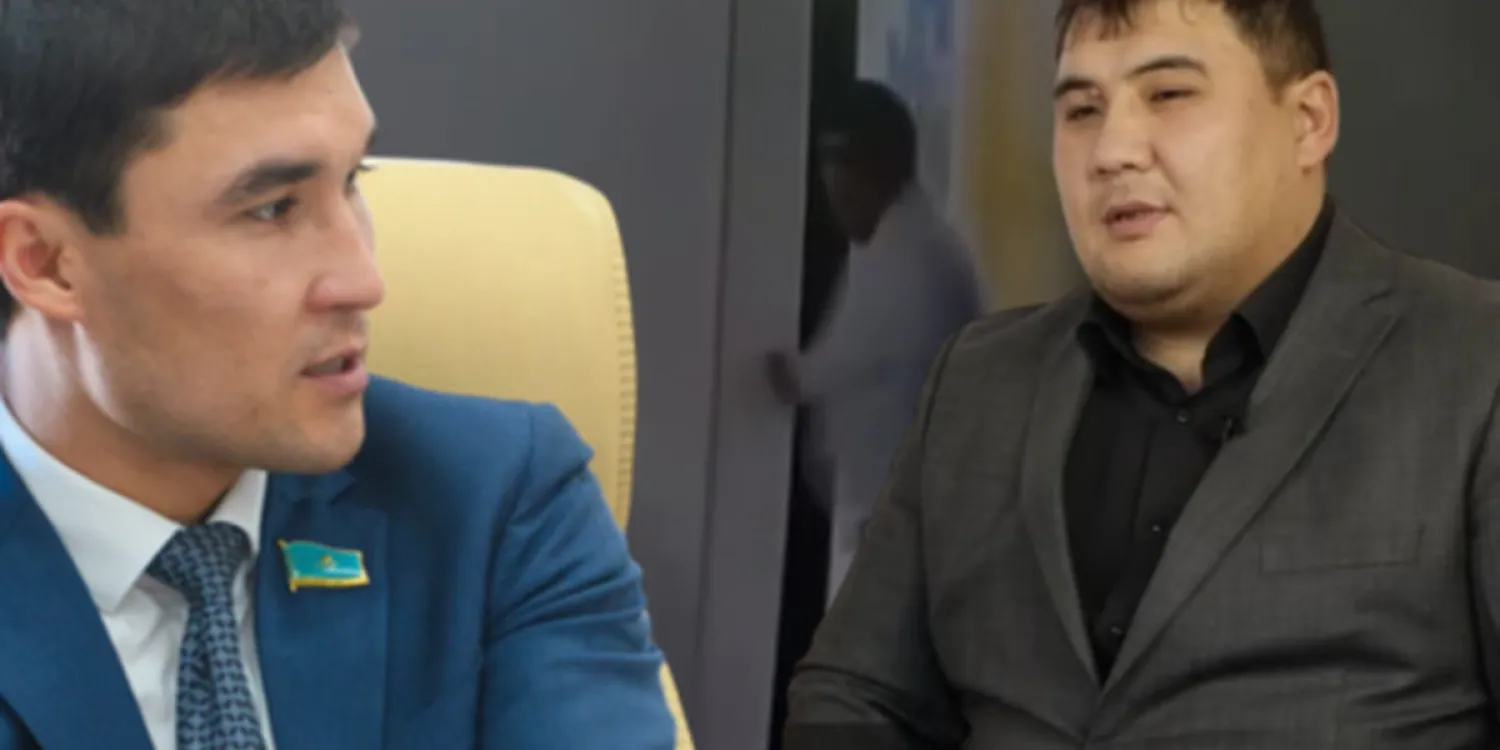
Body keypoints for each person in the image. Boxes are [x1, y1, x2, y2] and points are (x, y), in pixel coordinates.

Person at [785, 0, 1500, 747]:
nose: (1111, 151)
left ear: (1309, 121)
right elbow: (856, 694)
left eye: (1168, 95)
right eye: (1082, 110)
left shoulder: (1472, 365)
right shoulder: (978, 381)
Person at [0, 2, 676, 748]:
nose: (364, 279)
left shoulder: (493, 502)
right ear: (46, 263)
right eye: (271, 210)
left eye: (353, 180)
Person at [769, 80, 986, 603]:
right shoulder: (899, 243)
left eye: (842, 181)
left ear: (880, 166)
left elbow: (808, 376)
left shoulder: (910, 259)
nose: (834, 200)